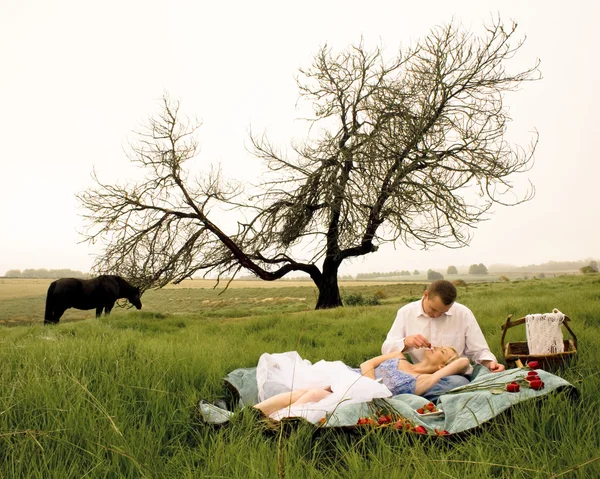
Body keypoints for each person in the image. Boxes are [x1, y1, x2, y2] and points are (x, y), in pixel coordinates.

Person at [253, 347, 469, 421]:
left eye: (441, 351)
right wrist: (368, 382)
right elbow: (367, 363)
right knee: (306, 390)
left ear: (443, 365)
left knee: (314, 394)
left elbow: (464, 362)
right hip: (349, 376)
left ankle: (272, 422)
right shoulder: (399, 355)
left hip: (362, 393)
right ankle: (251, 415)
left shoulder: (423, 380)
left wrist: (449, 362)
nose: (435, 347)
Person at [382, 279, 504, 399]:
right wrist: (405, 342)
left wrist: (490, 364)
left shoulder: (463, 313)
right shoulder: (406, 312)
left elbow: (479, 350)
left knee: (458, 383)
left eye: (443, 312)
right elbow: (386, 349)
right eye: (434, 309)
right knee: (453, 388)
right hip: (420, 376)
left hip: (451, 377)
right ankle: (431, 399)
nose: (436, 315)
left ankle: (409, 398)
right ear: (426, 295)